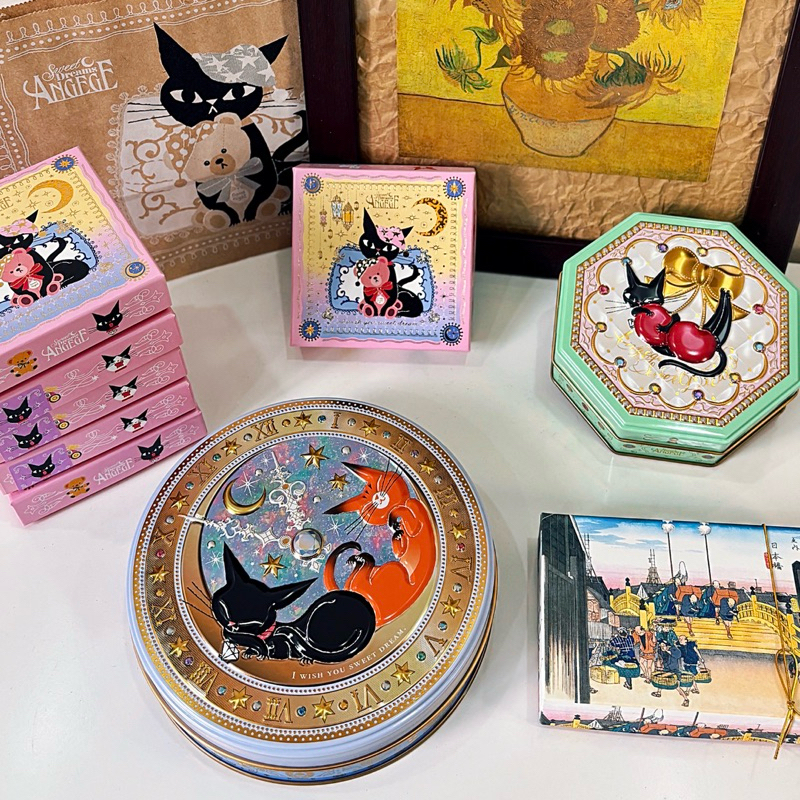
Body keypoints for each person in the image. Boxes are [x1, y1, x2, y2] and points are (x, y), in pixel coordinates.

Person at [652, 640, 691, 706]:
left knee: (677, 687)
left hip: (674, 671)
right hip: (667, 669)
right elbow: (661, 659)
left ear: (667, 646)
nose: (662, 647)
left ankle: (686, 699)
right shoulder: (661, 651)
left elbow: (678, 655)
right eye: (661, 646)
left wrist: (668, 651)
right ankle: (658, 692)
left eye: (663, 645)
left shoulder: (674, 650)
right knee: (661, 679)